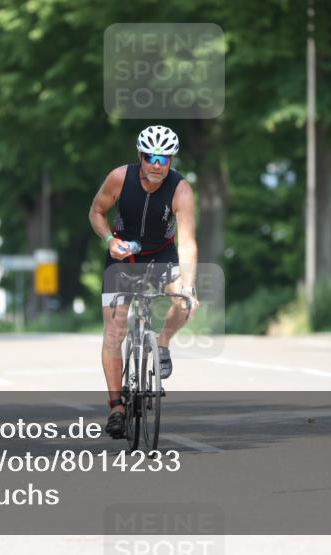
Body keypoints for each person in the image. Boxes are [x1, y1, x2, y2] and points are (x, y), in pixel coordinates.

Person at [88, 125, 199, 439]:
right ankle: (116, 409)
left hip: (160, 258)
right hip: (123, 259)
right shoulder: (119, 178)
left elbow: (188, 243)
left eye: (164, 159)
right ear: (140, 156)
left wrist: (188, 283)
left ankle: (162, 343)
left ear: (171, 161)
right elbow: (96, 211)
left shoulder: (181, 190)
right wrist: (109, 239)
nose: (157, 164)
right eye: (150, 157)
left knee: (186, 303)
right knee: (115, 329)